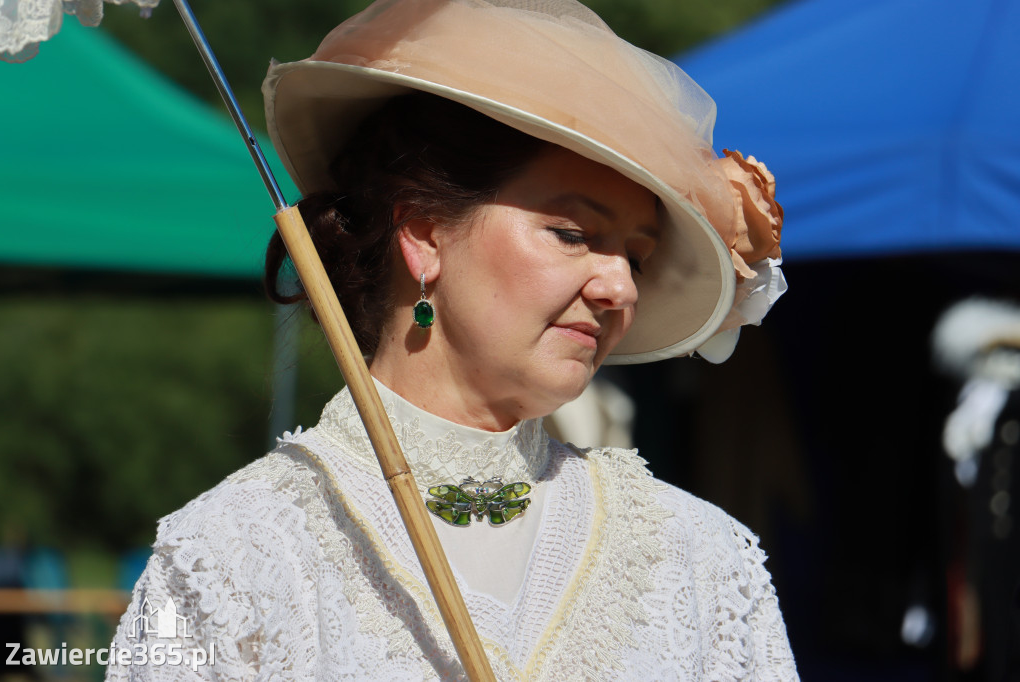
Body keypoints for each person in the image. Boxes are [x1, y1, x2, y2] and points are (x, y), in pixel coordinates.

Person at [106, 0, 794, 679]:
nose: (620, 289)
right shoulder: (228, 556)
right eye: (573, 234)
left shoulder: (702, 563)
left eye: (636, 257)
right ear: (425, 234)